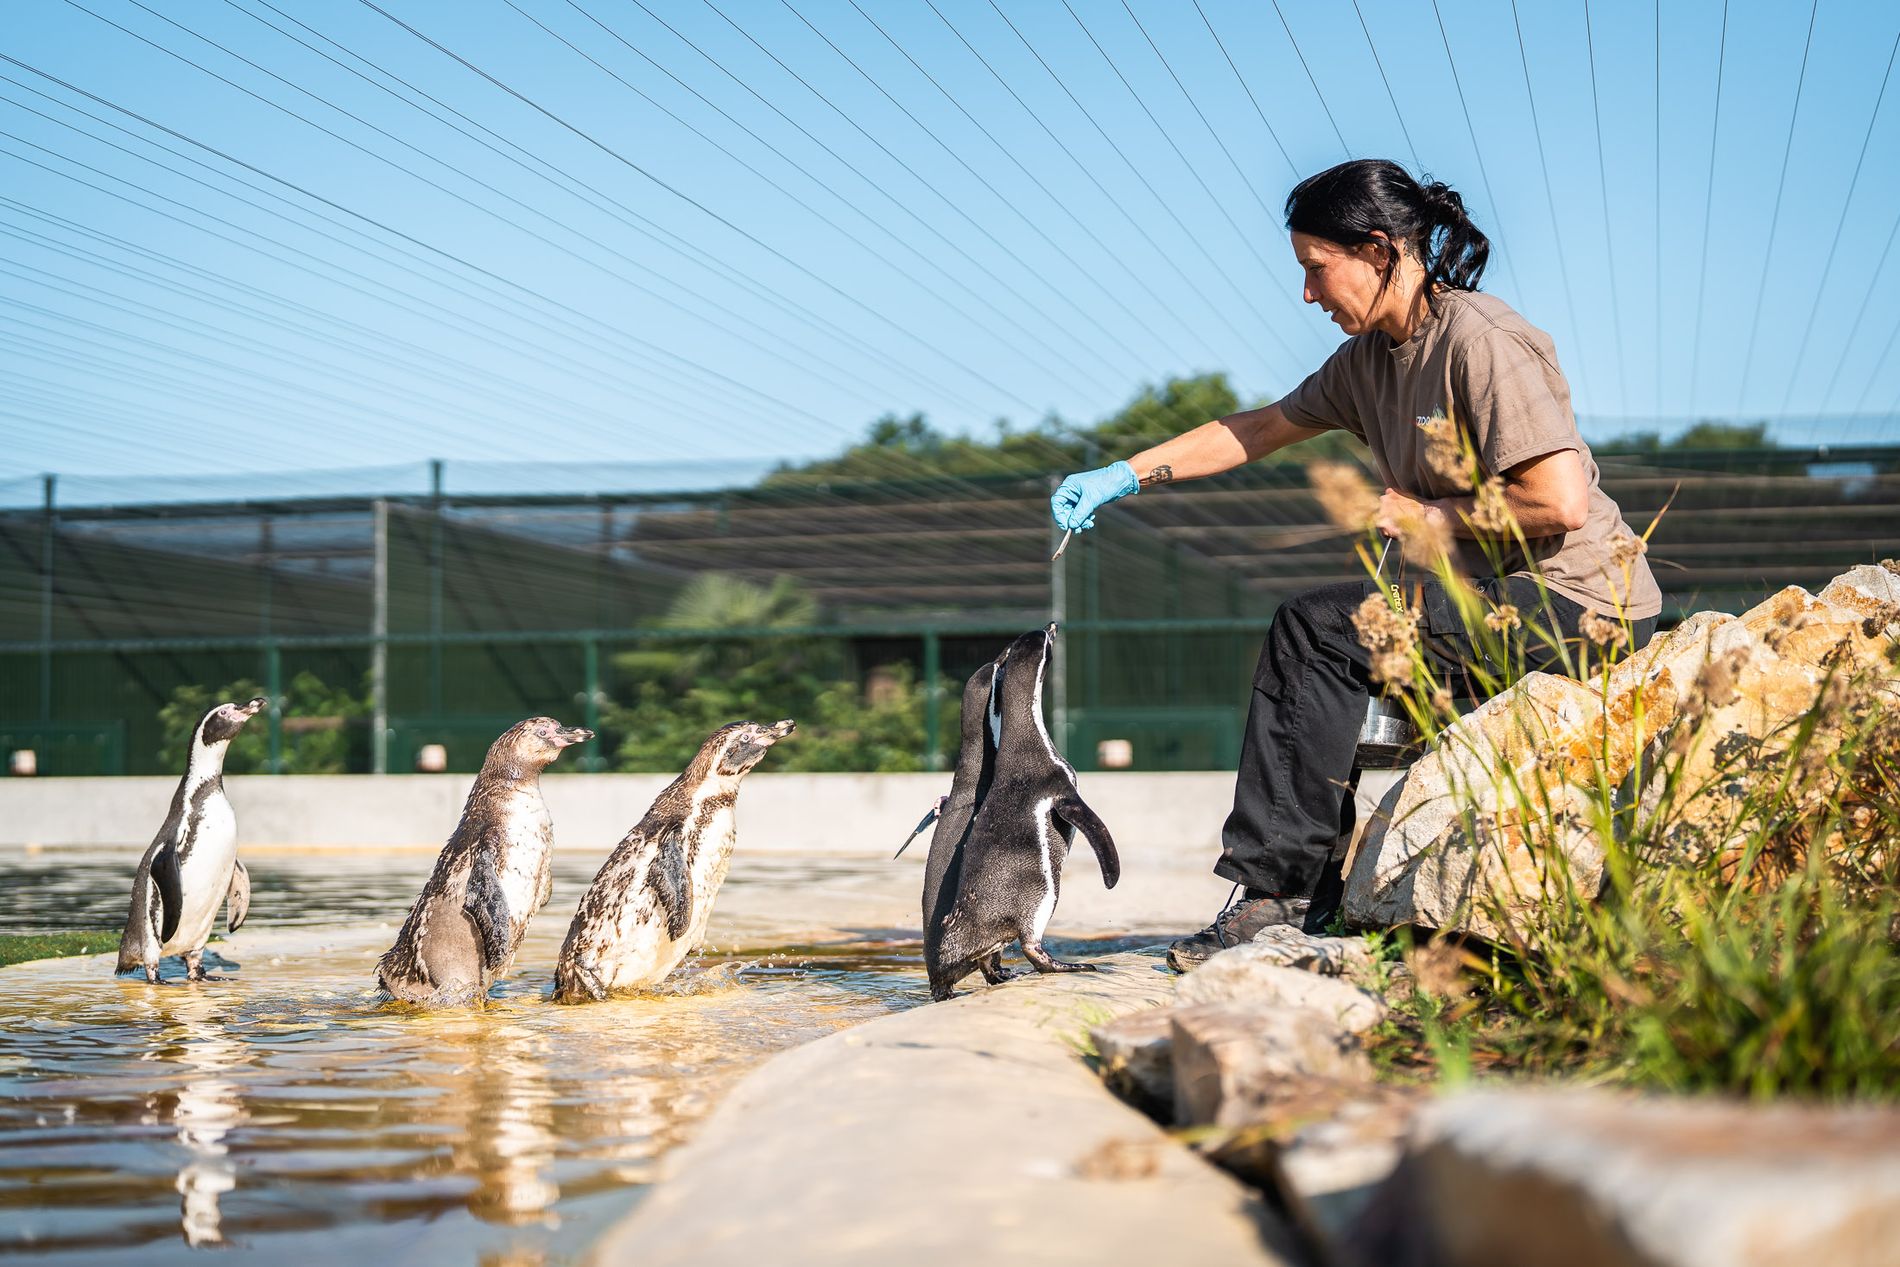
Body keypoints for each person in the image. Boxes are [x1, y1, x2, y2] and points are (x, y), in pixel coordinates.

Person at [1049, 159, 1661, 970]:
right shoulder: (1368, 360)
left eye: (1315, 268)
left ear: (1377, 250)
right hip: (1491, 603)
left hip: (1579, 608)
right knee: (1341, 639)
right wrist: (1127, 473)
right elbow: (1258, 429)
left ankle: (1282, 894)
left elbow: (1560, 502)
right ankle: (1330, 893)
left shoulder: (1483, 341)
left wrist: (1435, 514)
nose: (1307, 294)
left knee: (1316, 632)